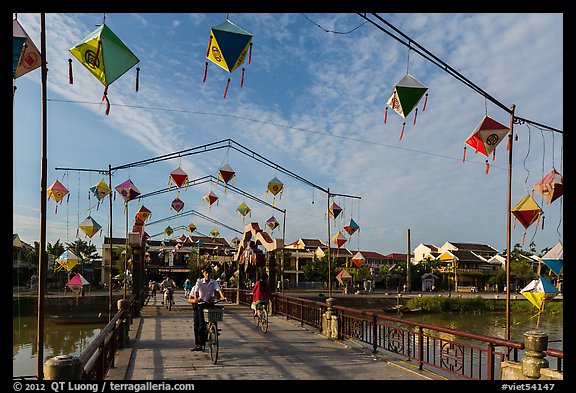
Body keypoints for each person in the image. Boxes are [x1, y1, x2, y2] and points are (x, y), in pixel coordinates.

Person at [187, 266, 226, 352]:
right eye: (206, 273)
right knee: (200, 325)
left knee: (213, 314)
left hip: (208, 304)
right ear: (203, 273)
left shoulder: (213, 282)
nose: (207, 274)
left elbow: (218, 290)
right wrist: (197, 299)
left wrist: (222, 297)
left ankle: (213, 330)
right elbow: (196, 292)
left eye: (209, 273)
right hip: (200, 305)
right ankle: (199, 343)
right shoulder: (200, 282)